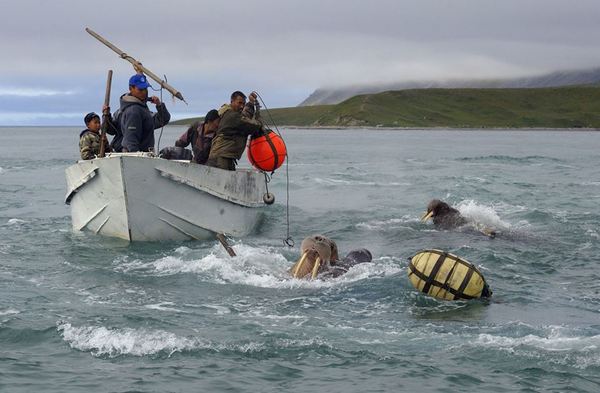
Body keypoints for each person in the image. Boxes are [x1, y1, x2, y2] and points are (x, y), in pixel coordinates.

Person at [206, 91, 266, 170]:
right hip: (222, 159)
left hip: (221, 156)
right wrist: (257, 108)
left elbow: (245, 116)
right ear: (232, 101)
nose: (242, 106)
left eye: (243, 104)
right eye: (239, 103)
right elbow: (255, 126)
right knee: (224, 181)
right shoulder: (233, 117)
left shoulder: (227, 112)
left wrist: (251, 103)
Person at [118, 73, 171, 152]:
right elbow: (131, 140)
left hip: (144, 155)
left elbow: (163, 120)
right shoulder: (134, 111)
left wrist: (159, 105)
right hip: (136, 157)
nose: (144, 92)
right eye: (140, 89)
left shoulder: (141, 108)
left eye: (145, 89)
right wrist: (137, 158)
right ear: (130, 88)